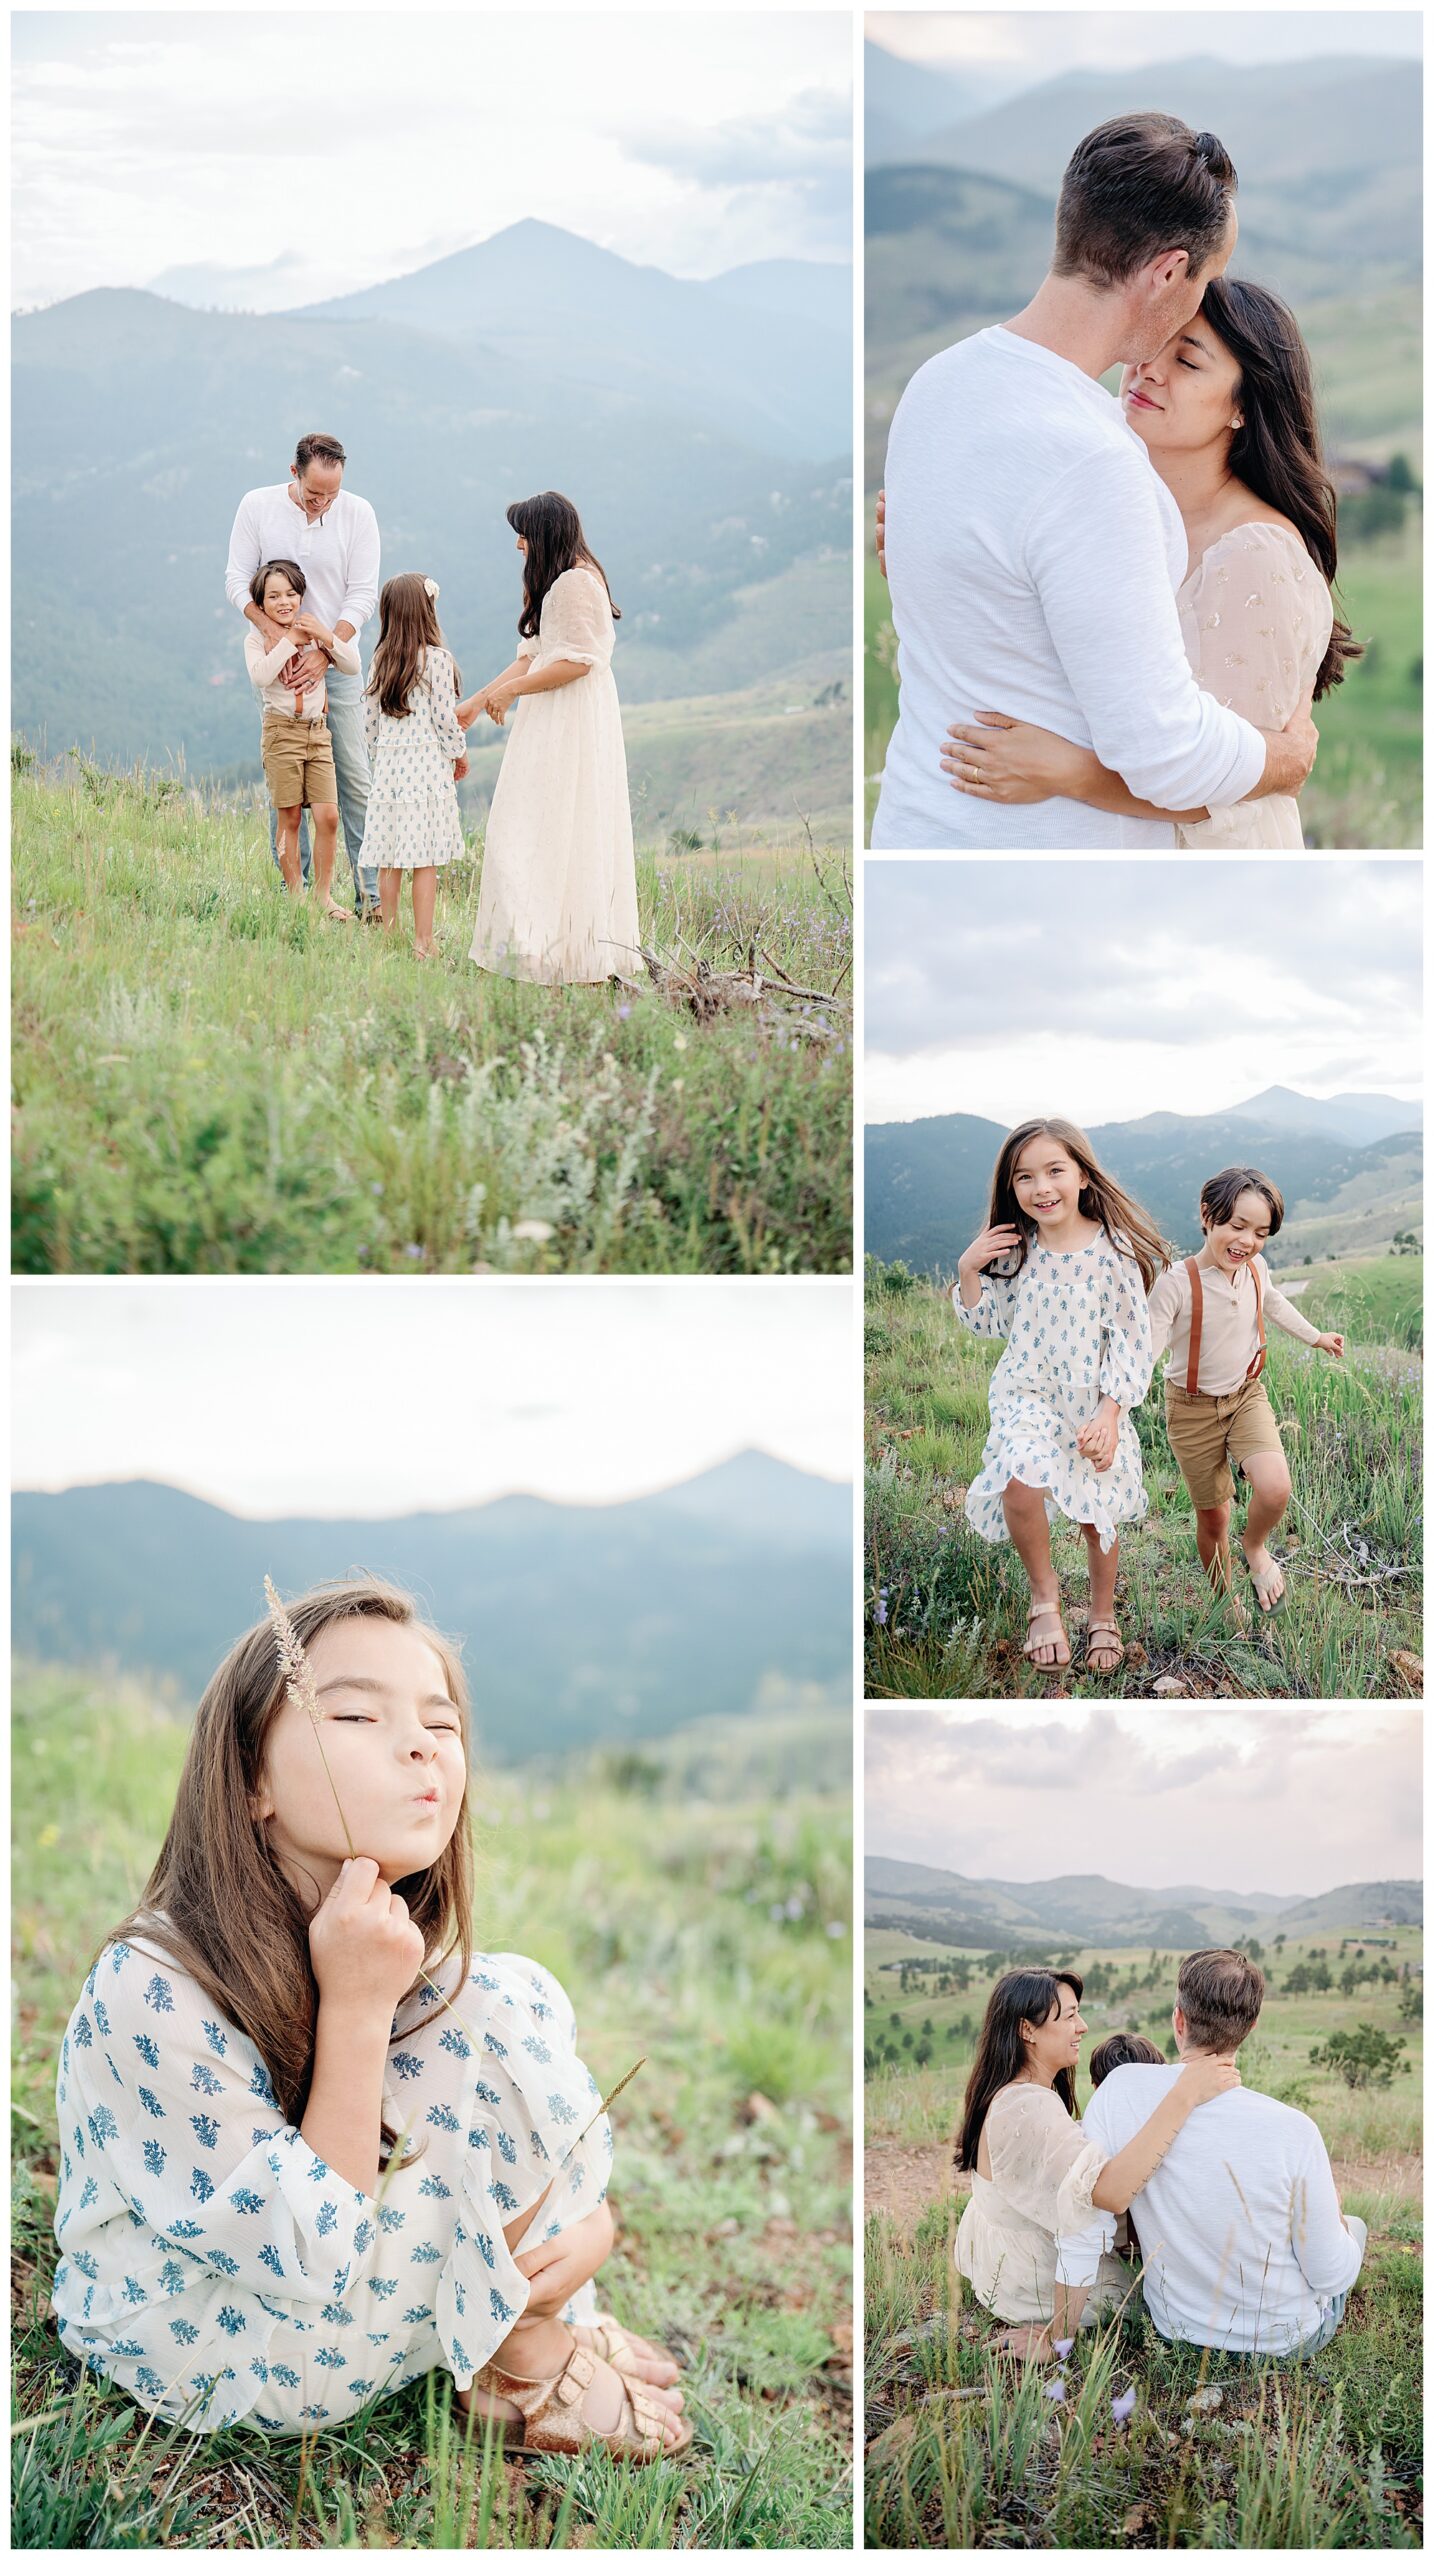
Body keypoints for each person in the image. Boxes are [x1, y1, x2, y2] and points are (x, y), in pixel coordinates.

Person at [51, 1579, 689, 2459]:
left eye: (442, 1725)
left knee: (507, 1993)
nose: (422, 1749)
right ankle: (522, 2350)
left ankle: (541, 2304)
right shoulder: (149, 1985)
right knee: (491, 2013)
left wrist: (586, 2226)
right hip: (217, 2342)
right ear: (250, 1782)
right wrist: (352, 2009)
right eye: (355, 1718)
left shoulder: (375, 1938)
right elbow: (302, 2253)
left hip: (322, 2286)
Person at [871, 113, 1318, 851]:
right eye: (1204, 276)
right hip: (1045, 874)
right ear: (1170, 272)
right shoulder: (1095, 462)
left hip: (920, 829)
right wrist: (1281, 759)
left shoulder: (936, 383)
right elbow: (1164, 753)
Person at [941, 278, 1357, 847]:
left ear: (1242, 407)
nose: (1150, 368)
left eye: (1187, 362)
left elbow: (1224, 787)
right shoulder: (1110, 491)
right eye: (1154, 342)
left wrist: (1065, 772)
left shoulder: (1251, 555)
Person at [1056, 1949, 1367, 2358]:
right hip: (1283, 2340)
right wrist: (1341, 2223)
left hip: (1175, 2330)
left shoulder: (1119, 2090)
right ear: (1250, 2026)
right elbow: (1328, 2275)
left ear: (1179, 2019)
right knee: (1355, 2228)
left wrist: (1058, 2335)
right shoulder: (1294, 2129)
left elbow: (1083, 2223)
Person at [953, 1118, 1167, 1675]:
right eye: (1024, 1177)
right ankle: (1045, 1601)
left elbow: (1130, 1341)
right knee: (1020, 1485)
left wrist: (1111, 1413)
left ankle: (1101, 1615)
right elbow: (989, 1323)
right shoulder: (1016, 1249)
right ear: (1011, 1187)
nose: (1040, 1188)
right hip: (1027, 1394)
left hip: (1093, 1404)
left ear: (1082, 1177)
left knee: (1097, 1516)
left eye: (1054, 1171)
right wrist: (968, 1269)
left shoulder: (1112, 1253)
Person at [953, 1967, 1237, 2355]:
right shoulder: (1025, 2106)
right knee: (1180, 2293)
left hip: (1000, 2260)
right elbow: (1109, 2194)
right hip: (1029, 2281)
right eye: (1069, 2016)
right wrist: (1184, 2093)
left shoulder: (1018, 2094)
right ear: (1027, 2030)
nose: (1082, 2026)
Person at [1147, 1167, 1346, 1611]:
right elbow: (1146, 1353)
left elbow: (1272, 1302)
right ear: (1207, 1216)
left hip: (1245, 1396)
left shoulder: (1256, 1268)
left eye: (1260, 1232)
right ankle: (1225, 1601)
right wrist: (1112, 1412)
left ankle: (1255, 1547)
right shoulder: (1177, 1283)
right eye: (1237, 1226)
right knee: (1214, 1516)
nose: (1247, 1241)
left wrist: (1315, 1336)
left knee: (1275, 1487)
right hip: (1191, 1408)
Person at [462, 494, 641, 985]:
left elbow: (579, 661)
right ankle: (537, 948)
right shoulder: (561, 580)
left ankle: (561, 952)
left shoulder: (577, 582)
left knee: (552, 829)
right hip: (550, 716)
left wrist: (515, 692)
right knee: (535, 828)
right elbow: (535, 653)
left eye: (523, 533)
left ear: (543, 534)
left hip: (570, 719)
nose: (518, 543)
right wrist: (479, 701)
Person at [225, 433, 381, 916]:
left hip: (334, 660)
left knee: (353, 777)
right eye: (315, 494)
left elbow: (362, 594)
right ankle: (300, 896)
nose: (323, 503)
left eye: (332, 494)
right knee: (286, 785)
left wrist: (327, 651)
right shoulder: (257, 506)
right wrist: (275, 632)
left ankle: (370, 895)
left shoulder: (359, 514)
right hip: (278, 669)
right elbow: (236, 580)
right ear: (294, 473)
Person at [244, 560, 359, 922]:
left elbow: (352, 665)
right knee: (289, 817)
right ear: (260, 605)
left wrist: (324, 639)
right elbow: (261, 677)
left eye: (291, 594)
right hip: (282, 732)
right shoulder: (256, 639)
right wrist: (287, 642)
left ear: (301, 596)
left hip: (318, 731)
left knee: (328, 817)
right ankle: (295, 894)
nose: (284, 602)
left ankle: (323, 895)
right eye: (273, 596)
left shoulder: (311, 629)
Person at [362, 576, 468, 961]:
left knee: (390, 855)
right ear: (426, 611)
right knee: (425, 860)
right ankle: (424, 943)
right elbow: (444, 718)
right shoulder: (437, 660)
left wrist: (379, 757)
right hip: (426, 770)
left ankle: (390, 937)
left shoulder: (380, 660)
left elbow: (369, 721)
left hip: (390, 768)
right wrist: (458, 753)